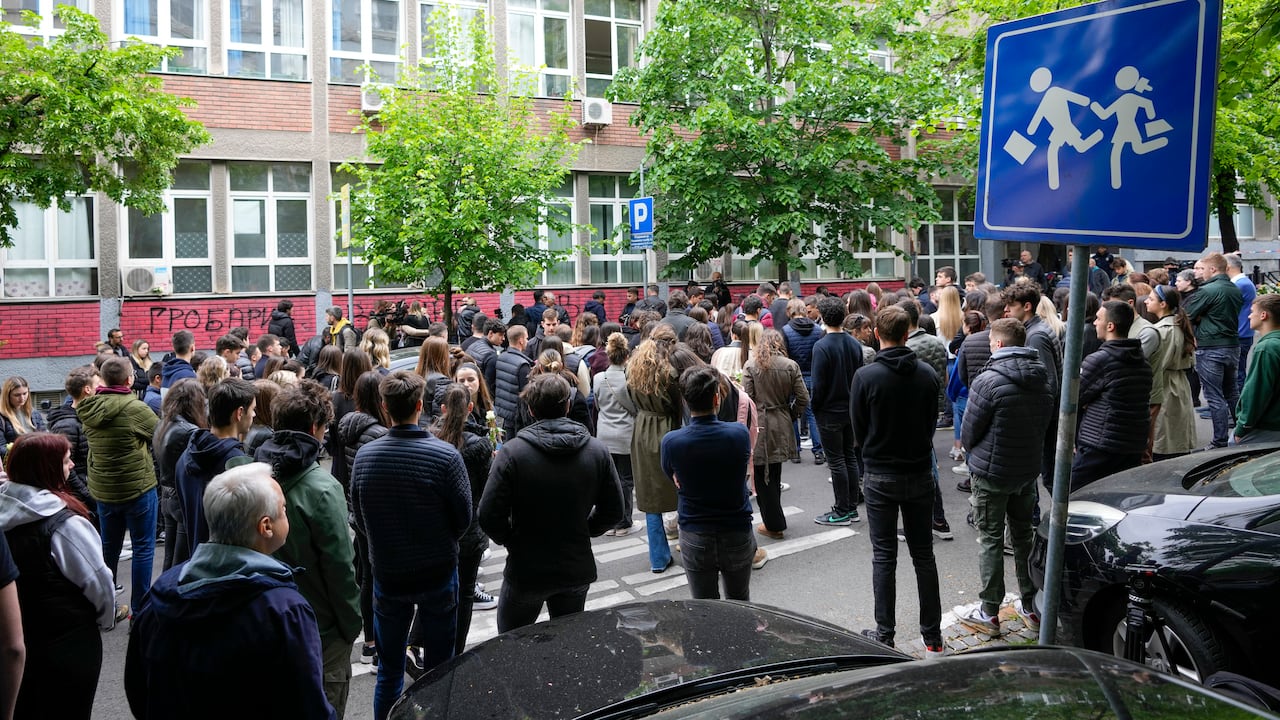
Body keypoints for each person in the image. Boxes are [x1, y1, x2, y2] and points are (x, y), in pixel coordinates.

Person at [125, 463, 335, 720]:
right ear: (266, 526)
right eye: (283, 509)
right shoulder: (284, 610)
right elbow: (307, 704)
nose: (286, 514)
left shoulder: (161, 592)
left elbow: (138, 687)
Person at [350, 371, 471, 720]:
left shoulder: (366, 457)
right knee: (439, 670)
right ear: (420, 405)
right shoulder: (446, 456)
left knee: (388, 672)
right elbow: (463, 518)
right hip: (437, 572)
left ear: (385, 408)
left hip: (389, 574)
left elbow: (359, 516)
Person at [479, 373, 624, 631]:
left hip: (527, 567)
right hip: (574, 564)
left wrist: (512, 539)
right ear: (567, 405)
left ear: (531, 410)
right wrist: (585, 529)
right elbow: (614, 510)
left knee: (513, 644)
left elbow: (489, 514)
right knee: (568, 642)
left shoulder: (512, 453)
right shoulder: (596, 450)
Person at [254, 381, 361, 718]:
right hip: (321, 630)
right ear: (316, 428)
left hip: (267, 621)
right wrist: (351, 624)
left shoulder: (252, 471)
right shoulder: (322, 488)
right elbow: (341, 568)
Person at [0, 432, 116, 719]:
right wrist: (104, 619)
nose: (73, 466)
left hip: (18, 646)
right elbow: (100, 584)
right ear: (47, 468)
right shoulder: (65, 526)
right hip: (67, 648)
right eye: (66, 461)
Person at [851, 304, 944, 657]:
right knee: (924, 556)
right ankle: (932, 637)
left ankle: (885, 633)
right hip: (919, 471)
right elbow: (931, 421)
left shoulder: (867, 376)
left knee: (884, 556)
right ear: (907, 333)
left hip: (880, 473)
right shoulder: (925, 374)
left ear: (878, 334)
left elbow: (858, 429)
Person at [956, 319, 1053, 637]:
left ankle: (989, 611)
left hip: (991, 473)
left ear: (997, 344)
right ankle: (1030, 604)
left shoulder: (988, 380)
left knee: (991, 541)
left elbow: (969, 432)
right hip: (1026, 471)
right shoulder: (1042, 376)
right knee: (1024, 537)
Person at [660, 366, 757, 598]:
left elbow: (671, 475)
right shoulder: (738, 434)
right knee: (740, 602)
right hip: (736, 529)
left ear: (684, 401)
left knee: (704, 608)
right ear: (716, 398)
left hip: (695, 532)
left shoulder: (672, 442)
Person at [78, 356, 158, 617]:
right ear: (129, 380)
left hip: (104, 490)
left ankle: (107, 608)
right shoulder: (135, 408)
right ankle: (140, 611)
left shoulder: (88, 407)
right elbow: (160, 435)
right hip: (138, 489)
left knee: (108, 549)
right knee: (144, 548)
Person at [431, 384, 496, 657]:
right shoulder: (479, 445)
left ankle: (433, 649)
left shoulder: (432, 440)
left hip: (438, 529)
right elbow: (487, 488)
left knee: (438, 593)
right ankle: (456, 652)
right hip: (469, 530)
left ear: (443, 409)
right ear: (470, 408)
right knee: (465, 593)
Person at [1072, 301, 1153, 490]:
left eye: (1098, 319)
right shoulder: (1142, 362)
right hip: (1132, 444)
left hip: (1100, 444)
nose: (1094, 323)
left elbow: (1073, 398)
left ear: (1110, 326)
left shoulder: (1100, 360)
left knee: (1074, 496)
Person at [175, 378, 255, 555]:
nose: (254, 415)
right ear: (239, 413)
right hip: (228, 564)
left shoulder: (186, 455)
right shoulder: (237, 466)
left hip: (198, 555)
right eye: (253, 409)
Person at [626, 324, 682, 574]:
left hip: (642, 429)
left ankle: (658, 558)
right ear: (670, 345)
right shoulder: (670, 372)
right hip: (667, 428)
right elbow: (677, 406)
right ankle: (691, 547)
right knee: (683, 489)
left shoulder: (633, 368)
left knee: (649, 497)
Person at [743, 328, 808, 542]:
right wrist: (790, 413)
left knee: (762, 476)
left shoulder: (751, 366)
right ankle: (774, 521)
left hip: (760, 423)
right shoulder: (790, 365)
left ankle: (774, 524)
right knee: (774, 474)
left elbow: (747, 400)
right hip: (781, 420)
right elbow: (803, 397)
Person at [1184, 253, 1244, 449]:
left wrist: (1200, 318)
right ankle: (1240, 435)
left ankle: (1219, 442)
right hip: (1232, 346)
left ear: (1213, 269)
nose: (1197, 272)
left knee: (1215, 396)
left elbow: (1186, 316)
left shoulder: (1208, 290)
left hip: (1211, 347)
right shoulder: (1233, 288)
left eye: (1201, 269)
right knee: (1232, 392)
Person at [153, 379, 208, 570]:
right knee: (182, 562)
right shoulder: (188, 431)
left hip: (167, 496)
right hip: (182, 500)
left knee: (170, 560)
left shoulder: (163, 424)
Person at [593, 333, 639, 536]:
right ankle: (624, 521)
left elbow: (597, 405)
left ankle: (610, 521)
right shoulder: (631, 379)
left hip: (604, 433)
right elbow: (636, 407)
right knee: (626, 480)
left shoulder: (598, 378)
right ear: (626, 355)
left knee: (608, 480)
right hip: (626, 434)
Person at [1144, 286, 1198, 459]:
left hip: (1165, 387)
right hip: (1179, 384)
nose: (1146, 301)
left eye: (1151, 299)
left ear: (1163, 304)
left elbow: (1158, 365)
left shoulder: (1162, 330)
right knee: (1176, 438)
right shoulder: (1179, 324)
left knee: (1164, 441)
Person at [44, 366, 99, 522]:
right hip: (82, 496)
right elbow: (64, 465)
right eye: (97, 386)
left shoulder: (87, 417)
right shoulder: (66, 424)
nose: (100, 389)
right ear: (87, 390)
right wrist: (87, 494)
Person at [781, 298, 824, 466]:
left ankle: (795, 451)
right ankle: (818, 451)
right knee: (813, 414)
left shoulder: (785, 330)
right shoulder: (818, 329)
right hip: (813, 376)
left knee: (792, 414)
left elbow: (784, 355)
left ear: (790, 312)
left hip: (793, 377)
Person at [1235, 294, 1280, 445]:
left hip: (1267, 426)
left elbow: (1257, 391)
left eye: (1252, 311)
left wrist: (1243, 426)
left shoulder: (1267, 348)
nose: (1248, 316)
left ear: (1263, 315)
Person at [494, 325, 533, 442]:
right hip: (517, 416)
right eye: (526, 338)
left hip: (503, 412)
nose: (527, 341)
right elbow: (526, 394)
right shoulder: (523, 365)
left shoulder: (501, 357)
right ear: (521, 340)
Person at [1226, 254, 1257, 393]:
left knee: (1237, 373)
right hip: (1241, 332)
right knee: (1235, 372)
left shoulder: (1240, 284)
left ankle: (1238, 406)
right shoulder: (1242, 283)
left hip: (1240, 333)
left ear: (1227, 267)